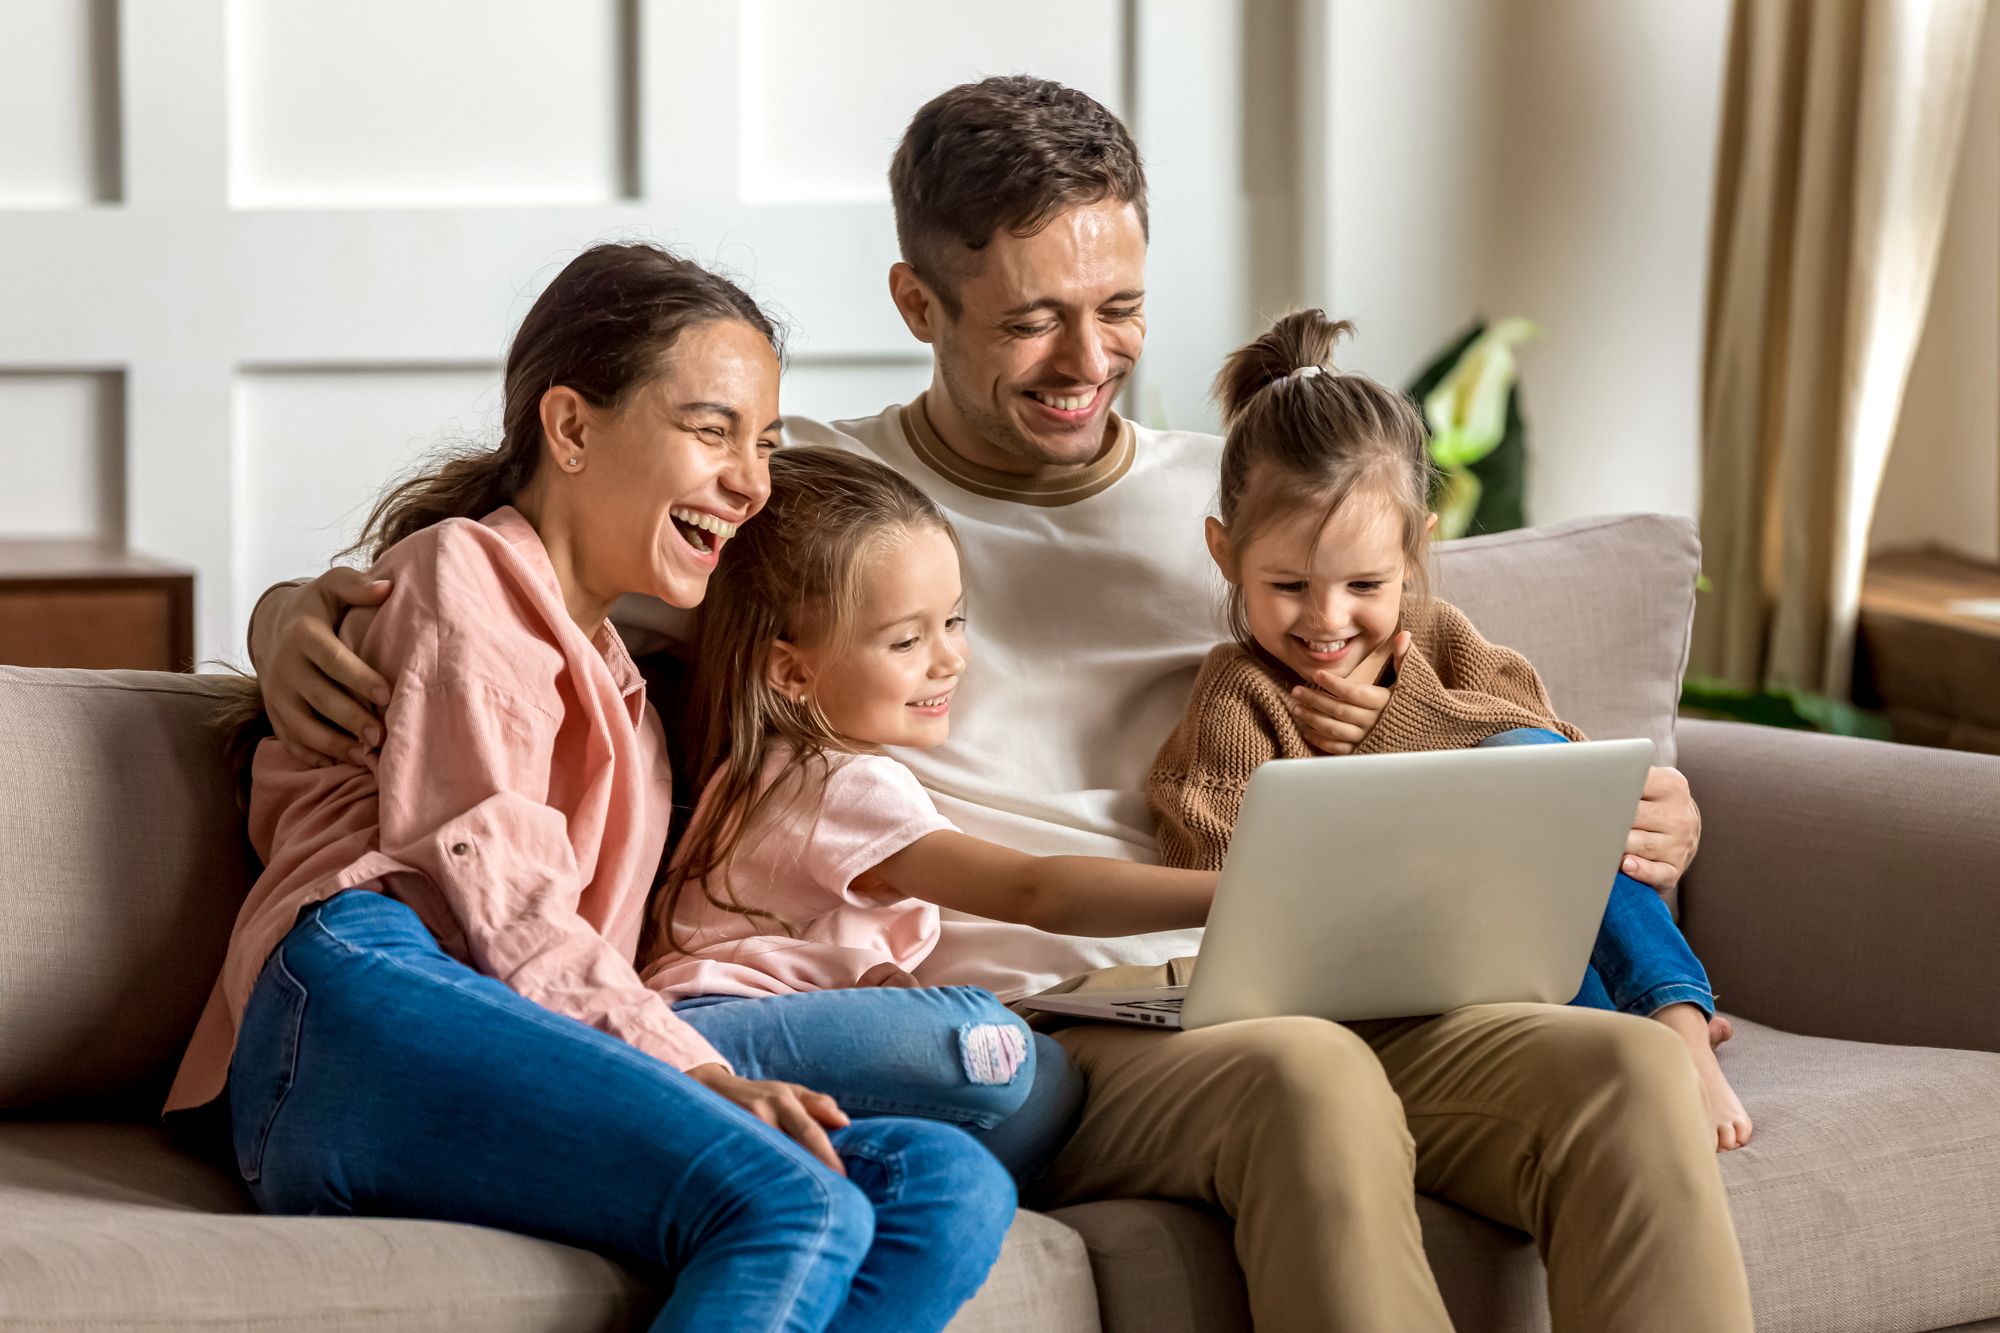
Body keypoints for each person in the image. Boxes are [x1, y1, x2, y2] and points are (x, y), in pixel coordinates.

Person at [244, 78, 1751, 1332]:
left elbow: (1450, 692)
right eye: (1033, 319)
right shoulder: (808, 496)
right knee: (1307, 1076)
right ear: (920, 298)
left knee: (1620, 1074)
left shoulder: (1240, 508)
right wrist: (294, 616)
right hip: (1061, 1019)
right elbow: (528, 569)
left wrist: (1611, 805)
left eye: (1119, 309)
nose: (1085, 363)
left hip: (1308, 964)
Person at [171, 242, 1016, 1333]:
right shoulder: (463, 571)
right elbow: (503, 904)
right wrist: (699, 1074)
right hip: (354, 1001)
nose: (752, 480)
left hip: (511, 1021)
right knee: (793, 1197)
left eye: (763, 443)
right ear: (569, 429)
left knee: (943, 1186)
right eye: (712, 429)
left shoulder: (627, 670)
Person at [1146, 308, 1754, 1152]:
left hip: (1520, 942)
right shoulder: (1239, 697)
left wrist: (1406, 718)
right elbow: (1212, 883)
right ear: (1225, 554)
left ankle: (1680, 1022)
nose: (1328, 619)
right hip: (1390, 979)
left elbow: (1563, 766)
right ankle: (1631, 1041)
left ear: (1416, 550)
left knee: (1531, 765)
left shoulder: (1442, 641)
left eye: (1365, 582)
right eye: (1287, 584)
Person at [645, 444, 1214, 1179]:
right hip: (711, 1033)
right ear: (791, 669)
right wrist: (1232, 890)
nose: (949, 660)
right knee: (999, 1047)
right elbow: (1033, 889)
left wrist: (863, 984)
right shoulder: (841, 782)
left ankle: (819, 1155)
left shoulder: (765, 769)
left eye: (954, 621)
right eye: (907, 640)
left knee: (1040, 1089)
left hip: (742, 1031)